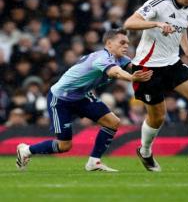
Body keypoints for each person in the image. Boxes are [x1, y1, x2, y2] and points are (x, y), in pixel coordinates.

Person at [16, 29, 153, 172]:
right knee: (64, 146)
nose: (126, 46)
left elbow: (137, 67)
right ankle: (26, 150)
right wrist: (132, 78)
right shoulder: (102, 58)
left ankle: (94, 162)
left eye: (128, 43)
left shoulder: (119, 58)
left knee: (113, 122)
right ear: (109, 43)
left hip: (81, 96)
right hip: (60, 99)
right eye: (122, 42)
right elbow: (115, 72)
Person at [123, 0, 188, 172]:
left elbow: (182, 28)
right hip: (147, 67)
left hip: (172, 63)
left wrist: (187, 50)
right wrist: (157, 23)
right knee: (157, 118)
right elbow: (129, 23)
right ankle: (145, 151)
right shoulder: (159, 2)